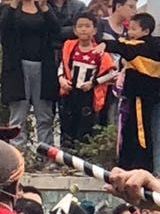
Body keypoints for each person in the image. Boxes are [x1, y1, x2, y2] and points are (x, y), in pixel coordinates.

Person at [0, 0, 63, 150]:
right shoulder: (9, 10)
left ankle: (46, 153)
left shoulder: (45, 8)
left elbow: (56, 30)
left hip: (43, 67)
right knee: (18, 115)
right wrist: (13, 5)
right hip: (17, 69)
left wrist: (44, 8)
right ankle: (17, 152)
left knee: (44, 115)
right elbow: (3, 29)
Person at [60, 13, 119, 144]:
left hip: (88, 94)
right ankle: (65, 154)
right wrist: (61, 80)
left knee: (85, 126)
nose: (83, 29)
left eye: (87, 26)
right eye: (80, 26)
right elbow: (62, 65)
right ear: (74, 30)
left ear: (94, 30)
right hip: (70, 92)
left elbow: (111, 73)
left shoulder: (98, 51)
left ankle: (83, 155)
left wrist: (93, 83)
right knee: (67, 123)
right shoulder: (69, 46)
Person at [114, 13, 160, 172]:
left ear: (146, 31)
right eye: (129, 29)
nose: (130, 32)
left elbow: (123, 47)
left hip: (144, 97)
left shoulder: (148, 46)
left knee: (142, 132)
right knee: (129, 129)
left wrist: (104, 45)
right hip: (132, 97)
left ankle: (140, 166)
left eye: (134, 29)